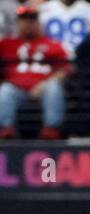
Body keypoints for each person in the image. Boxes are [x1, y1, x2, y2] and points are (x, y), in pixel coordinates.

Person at [0, 6, 70, 140]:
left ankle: (51, 129)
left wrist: (44, 84)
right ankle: (5, 129)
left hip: (43, 88)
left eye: (32, 19)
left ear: (38, 23)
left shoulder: (53, 44)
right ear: (18, 23)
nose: (28, 23)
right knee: (5, 90)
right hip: (16, 89)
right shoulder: (7, 44)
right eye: (24, 20)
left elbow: (64, 69)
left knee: (54, 87)